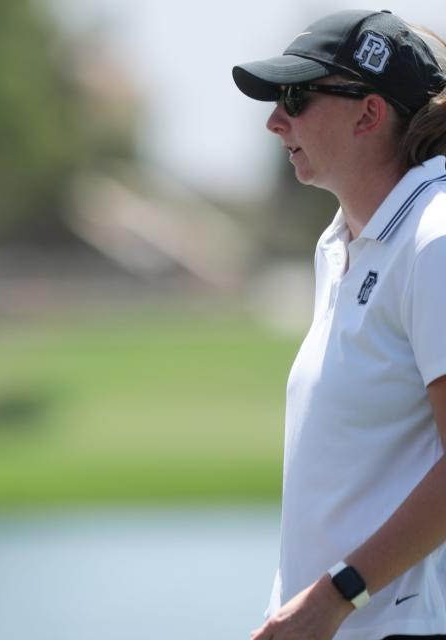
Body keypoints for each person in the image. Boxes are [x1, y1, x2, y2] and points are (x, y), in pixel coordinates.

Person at [232, 9, 446, 640]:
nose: (275, 120)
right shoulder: (340, 247)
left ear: (369, 113)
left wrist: (336, 595)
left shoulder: (434, 239)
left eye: (296, 98)